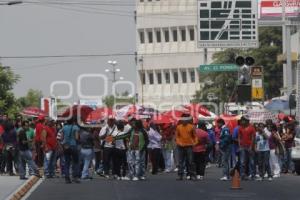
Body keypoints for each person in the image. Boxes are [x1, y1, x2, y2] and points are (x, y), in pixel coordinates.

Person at [175, 114, 197, 180]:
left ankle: (192, 175)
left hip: (189, 146)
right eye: (183, 119)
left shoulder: (191, 127)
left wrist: (195, 142)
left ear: (187, 120)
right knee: (180, 161)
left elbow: (195, 136)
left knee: (190, 161)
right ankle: (180, 175)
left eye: (185, 119)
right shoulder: (178, 127)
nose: (184, 121)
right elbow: (177, 137)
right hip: (180, 146)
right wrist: (178, 142)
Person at [61, 118, 80, 184]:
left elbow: (61, 138)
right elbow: (77, 138)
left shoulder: (64, 127)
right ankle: (75, 177)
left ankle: (67, 178)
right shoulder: (75, 127)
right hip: (73, 146)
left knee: (67, 162)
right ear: (73, 121)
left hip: (66, 146)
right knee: (75, 162)